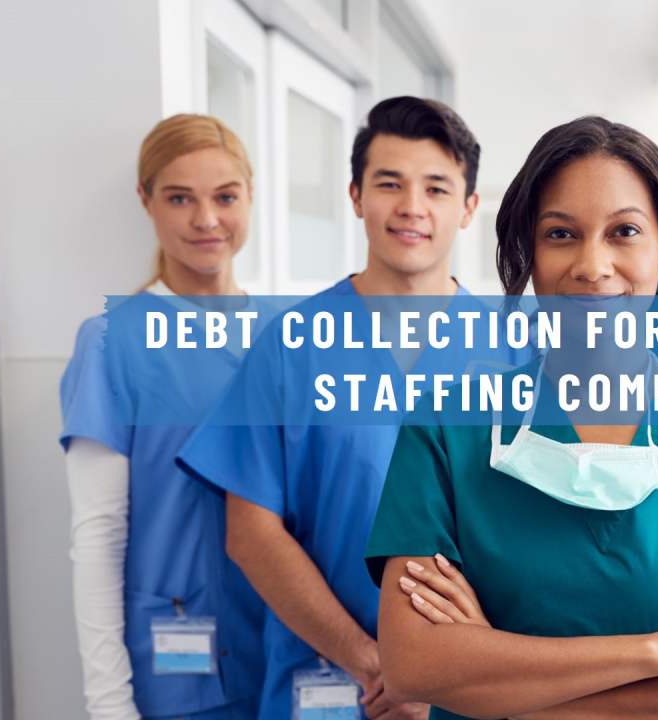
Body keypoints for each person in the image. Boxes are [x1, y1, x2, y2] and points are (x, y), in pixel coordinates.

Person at [364, 115, 658, 720]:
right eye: (561, 234)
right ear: (527, 252)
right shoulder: (446, 428)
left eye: (625, 232)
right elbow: (414, 665)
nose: (593, 264)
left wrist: (495, 679)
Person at [177, 96, 523, 720]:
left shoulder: (515, 351)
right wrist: (375, 663)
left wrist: (444, 676)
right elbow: (251, 535)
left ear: (469, 206)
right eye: (389, 184)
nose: (412, 207)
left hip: (471, 693)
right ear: (357, 196)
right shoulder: (290, 346)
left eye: (437, 188)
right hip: (327, 684)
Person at [60, 114, 267, 720]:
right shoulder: (110, 342)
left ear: (250, 197)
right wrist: (109, 705)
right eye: (180, 198)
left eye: (225, 197)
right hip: (178, 679)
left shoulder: (288, 334)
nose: (206, 220)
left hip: (297, 662)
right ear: (145, 201)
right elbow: (97, 537)